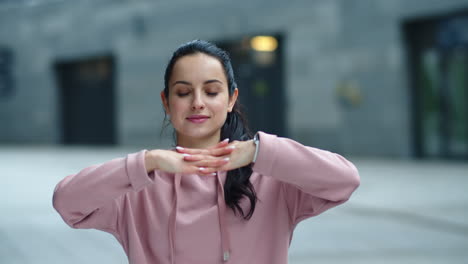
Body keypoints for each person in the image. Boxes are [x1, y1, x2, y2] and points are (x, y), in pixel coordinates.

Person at [53, 39, 360, 264]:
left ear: (231, 99)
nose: (197, 102)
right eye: (183, 92)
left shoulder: (270, 178)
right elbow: (66, 202)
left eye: (212, 91)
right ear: (166, 101)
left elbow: (345, 180)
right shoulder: (139, 187)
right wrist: (149, 161)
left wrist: (258, 153)